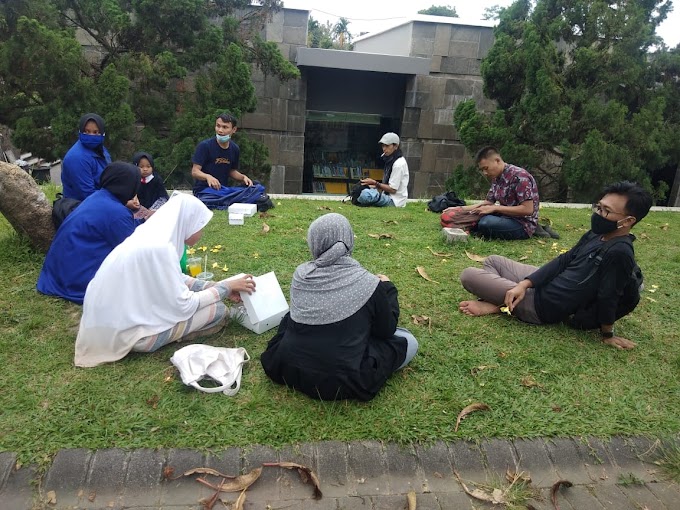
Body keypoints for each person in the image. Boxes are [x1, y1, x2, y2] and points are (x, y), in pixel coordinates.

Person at [458, 181, 652, 350]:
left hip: (545, 305)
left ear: (628, 221)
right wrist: (525, 284)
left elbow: (609, 296)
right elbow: (565, 260)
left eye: (607, 211)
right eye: (599, 207)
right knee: (493, 260)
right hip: (548, 282)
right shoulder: (597, 234)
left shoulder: (620, 252)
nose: (599, 214)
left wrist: (608, 335)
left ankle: (497, 304)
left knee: (469, 275)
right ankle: (502, 300)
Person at [74, 193, 256, 367]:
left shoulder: (151, 236)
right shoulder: (161, 248)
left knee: (211, 305)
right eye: (200, 226)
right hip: (131, 337)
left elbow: (177, 278)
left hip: (103, 326)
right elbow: (184, 305)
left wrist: (217, 286)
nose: (201, 232)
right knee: (218, 310)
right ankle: (164, 337)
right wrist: (224, 288)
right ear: (187, 222)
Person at [260, 213, 418, 401]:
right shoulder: (369, 283)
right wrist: (388, 289)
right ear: (348, 239)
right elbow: (386, 331)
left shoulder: (300, 275)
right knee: (408, 340)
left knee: (290, 316)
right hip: (342, 380)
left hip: (287, 367)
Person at [37, 162, 141, 304]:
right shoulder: (116, 213)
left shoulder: (98, 197)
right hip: (76, 282)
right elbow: (135, 249)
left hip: (57, 274)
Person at [447, 146, 539, 240]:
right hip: (502, 217)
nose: (485, 173)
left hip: (521, 223)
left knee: (486, 223)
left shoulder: (519, 177)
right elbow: (488, 202)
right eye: (482, 170)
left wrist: (495, 208)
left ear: (497, 161)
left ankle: (475, 228)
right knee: (452, 216)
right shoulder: (496, 177)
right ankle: (473, 226)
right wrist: (460, 209)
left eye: (486, 168)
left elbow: (528, 209)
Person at [191, 113, 253, 196]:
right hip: (204, 189)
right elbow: (195, 171)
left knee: (255, 186)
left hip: (223, 189)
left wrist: (243, 178)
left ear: (234, 129)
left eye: (225, 127)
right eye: (218, 126)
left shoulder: (235, 149)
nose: (220, 130)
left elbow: (232, 171)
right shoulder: (205, 146)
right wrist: (207, 177)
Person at [61, 113, 112, 201]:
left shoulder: (100, 149)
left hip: (103, 197)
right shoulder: (76, 158)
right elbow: (88, 196)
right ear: (80, 131)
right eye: (87, 132)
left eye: (96, 132)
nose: (91, 136)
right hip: (81, 207)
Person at [356, 132, 409, 207]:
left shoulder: (398, 164)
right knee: (362, 190)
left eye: (387, 146)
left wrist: (375, 183)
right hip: (386, 195)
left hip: (394, 201)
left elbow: (393, 189)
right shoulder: (390, 160)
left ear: (396, 146)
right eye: (383, 146)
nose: (384, 149)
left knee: (366, 194)